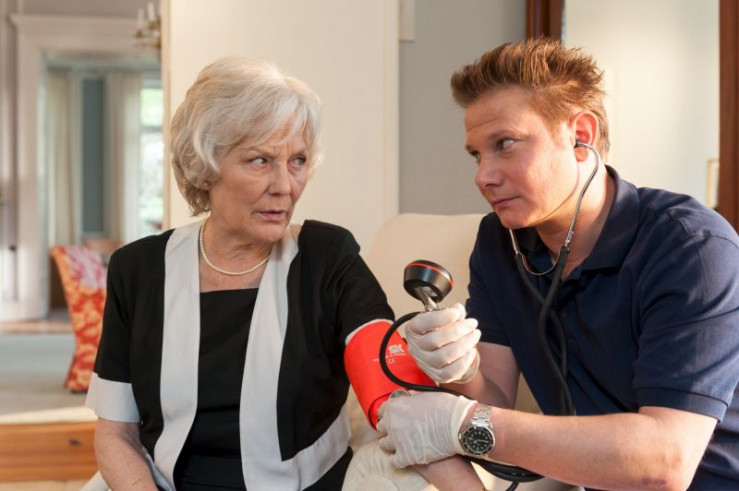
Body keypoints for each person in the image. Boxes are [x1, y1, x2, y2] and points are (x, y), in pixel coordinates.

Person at [84, 56, 481, 491]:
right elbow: (115, 432)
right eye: (259, 160)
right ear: (205, 166)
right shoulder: (137, 270)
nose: (285, 186)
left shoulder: (327, 256)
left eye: (298, 160)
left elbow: (391, 391)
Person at [377, 38, 739, 490]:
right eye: (476, 154)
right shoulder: (499, 241)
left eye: (505, 144)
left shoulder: (691, 247)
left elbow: (664, 462)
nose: (483, 176)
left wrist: (458, 422)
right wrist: (460, 371)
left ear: (580, 135)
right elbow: (495, 399)